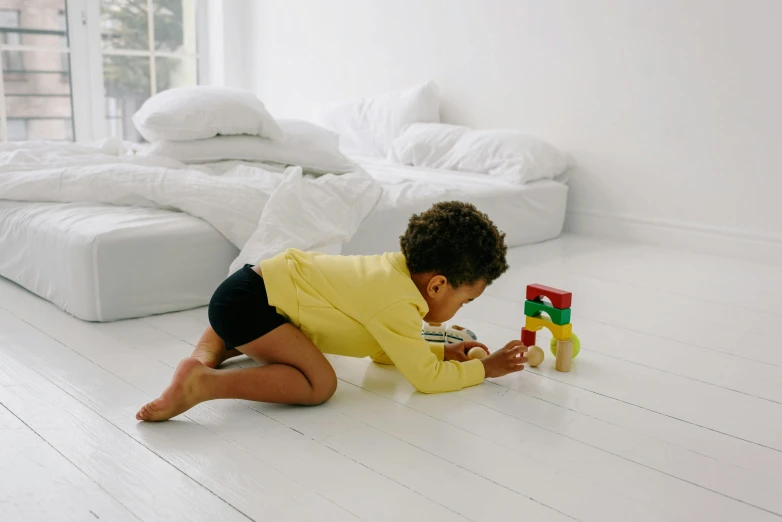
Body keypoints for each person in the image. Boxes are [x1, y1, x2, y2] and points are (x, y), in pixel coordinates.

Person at [137, 201, 528, 422]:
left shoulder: (392, 273)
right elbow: (425, 380)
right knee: (319, 383)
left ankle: (206, 354)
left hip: (244, 293)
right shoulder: (398, 303)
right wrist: (484, 369)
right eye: (465, 300)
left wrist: (441, 351)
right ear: (438, 285)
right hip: (251, 306)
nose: (461, 308)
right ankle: (203, 383)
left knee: (279, 335)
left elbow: (384, 350)